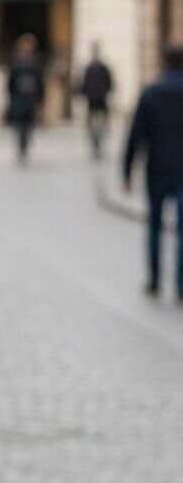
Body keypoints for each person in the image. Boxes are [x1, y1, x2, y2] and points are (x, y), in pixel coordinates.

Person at [122, 44, 183, 300]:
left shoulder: (150, 93)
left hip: (156, 168)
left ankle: (155, 281)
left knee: (155, 226)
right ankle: (181, 285)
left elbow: (135, 135)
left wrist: (126, 171)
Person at [5, 33, 45, 163]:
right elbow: (11, 81)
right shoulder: (16, 62)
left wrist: (40, 97)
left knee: (29, 125)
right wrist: (11, 96)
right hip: (19, 98)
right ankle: (21, 147)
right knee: (19, 125)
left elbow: (40, 81)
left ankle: (25, 146)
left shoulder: (35, 63)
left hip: (30, 99)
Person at [76, 43, 114, 160]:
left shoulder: (103, 68)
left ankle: (98, 141)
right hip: (92, 100)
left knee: (101, 124)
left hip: (100, 100)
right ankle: (95, 143)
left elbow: (110, 82)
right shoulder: (89, 68)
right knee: (92, 124)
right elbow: (83, 84)